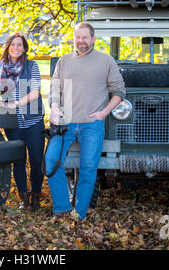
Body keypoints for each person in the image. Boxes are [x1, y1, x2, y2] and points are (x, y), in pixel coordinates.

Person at [46, 22, 125, 220]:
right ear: (74, 38)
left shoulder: (106, 61)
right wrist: (55, 109)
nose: (80, 41)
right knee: (50, 162)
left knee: (88, 168)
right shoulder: (63, 61)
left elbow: (119, 91)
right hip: (66, 123)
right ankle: (62, 207)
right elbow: (55, 89)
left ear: (93, 39)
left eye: (84, 37)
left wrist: (104, 112)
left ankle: (79, 214)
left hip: (92, 124)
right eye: (77, 37)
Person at [0, 32, 45, 211]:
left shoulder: (31, 66)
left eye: (19, 45)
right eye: (13, 45)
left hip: (33, 121)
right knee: (18, 161)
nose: (16, 48)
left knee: (36, 160)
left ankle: (36, 196)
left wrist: (15, 104)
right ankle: (23, 199)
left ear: (24, 48)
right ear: (8, 47)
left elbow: (35, 92)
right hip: (13, 123)